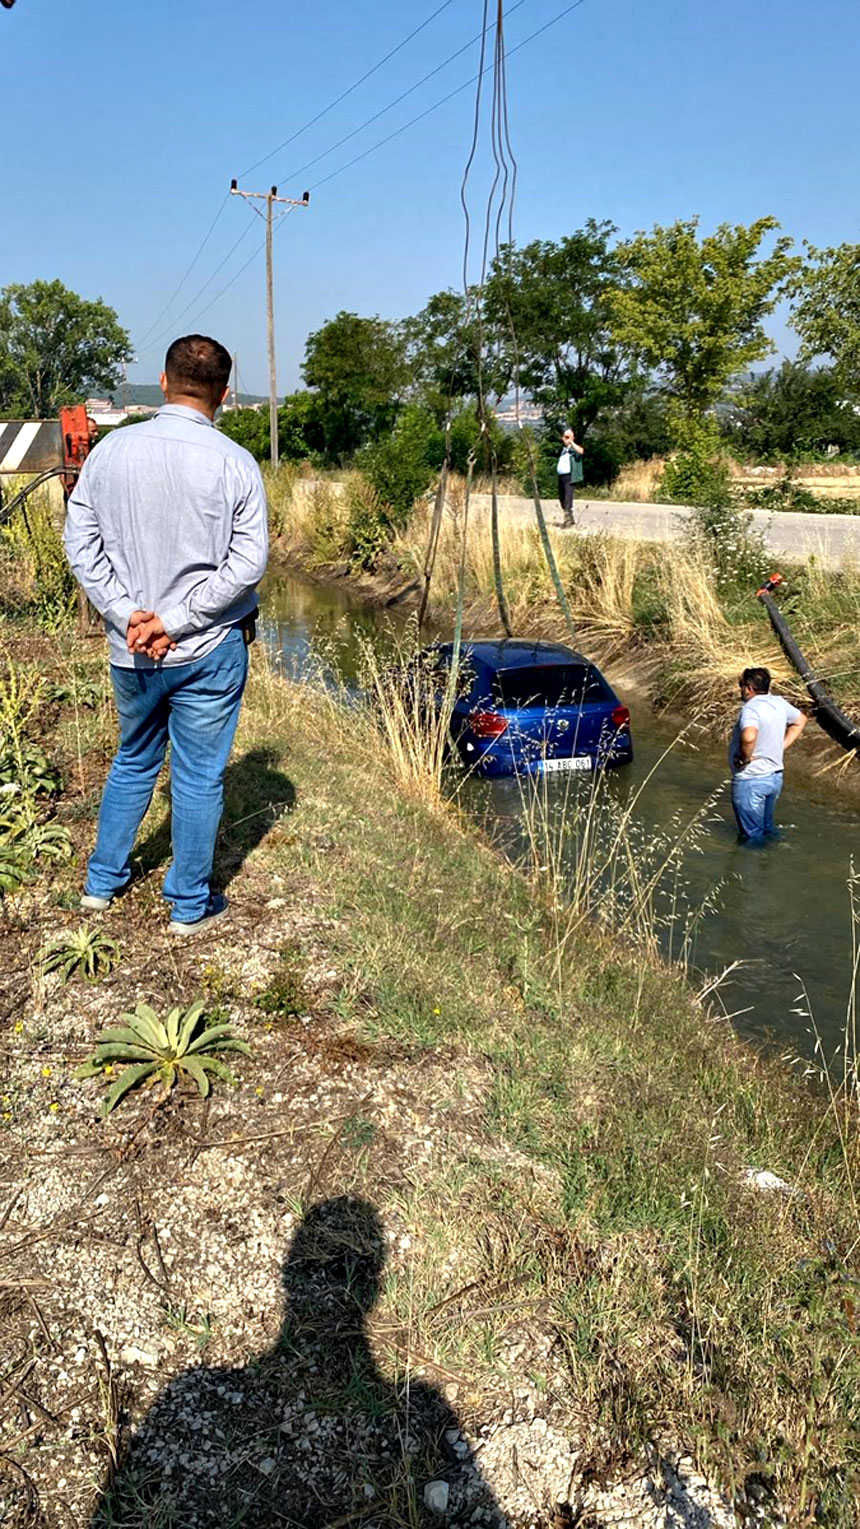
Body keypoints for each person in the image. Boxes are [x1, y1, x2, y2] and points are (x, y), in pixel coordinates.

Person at [64, 333, 268, 935]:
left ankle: (103, 883)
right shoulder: (236, 462)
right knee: (199, 775)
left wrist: (128, 612)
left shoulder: (109, 453)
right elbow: (247, 565)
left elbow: (82, 542)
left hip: (131, 649)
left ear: (161, 381)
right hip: (207, 647)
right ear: (225, 394)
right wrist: (174, 621)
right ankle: (187, 905)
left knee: (132, 759)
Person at [729, 667, 807, 843]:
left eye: (741, 685)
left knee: (752, 837)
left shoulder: (751, 709)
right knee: (767, 828)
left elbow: (749, 737)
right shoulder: (779, 702)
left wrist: (745, 758)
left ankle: (750, 867)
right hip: (774, 778)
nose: (740, 689)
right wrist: (781, 747)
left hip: (751, 779)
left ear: (748, 688)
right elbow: (800, 720)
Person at [556, 425, 584, 528]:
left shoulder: (574, 449)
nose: (565, 439)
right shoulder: (564, 450)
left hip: (569, 477)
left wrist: (571, 442)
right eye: (564, 437)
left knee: (568, 499)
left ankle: (567, 521)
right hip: (561, 476)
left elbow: (581, 451)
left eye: (567, 437)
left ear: (572, 437)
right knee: (562, 498)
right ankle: (570, 518)